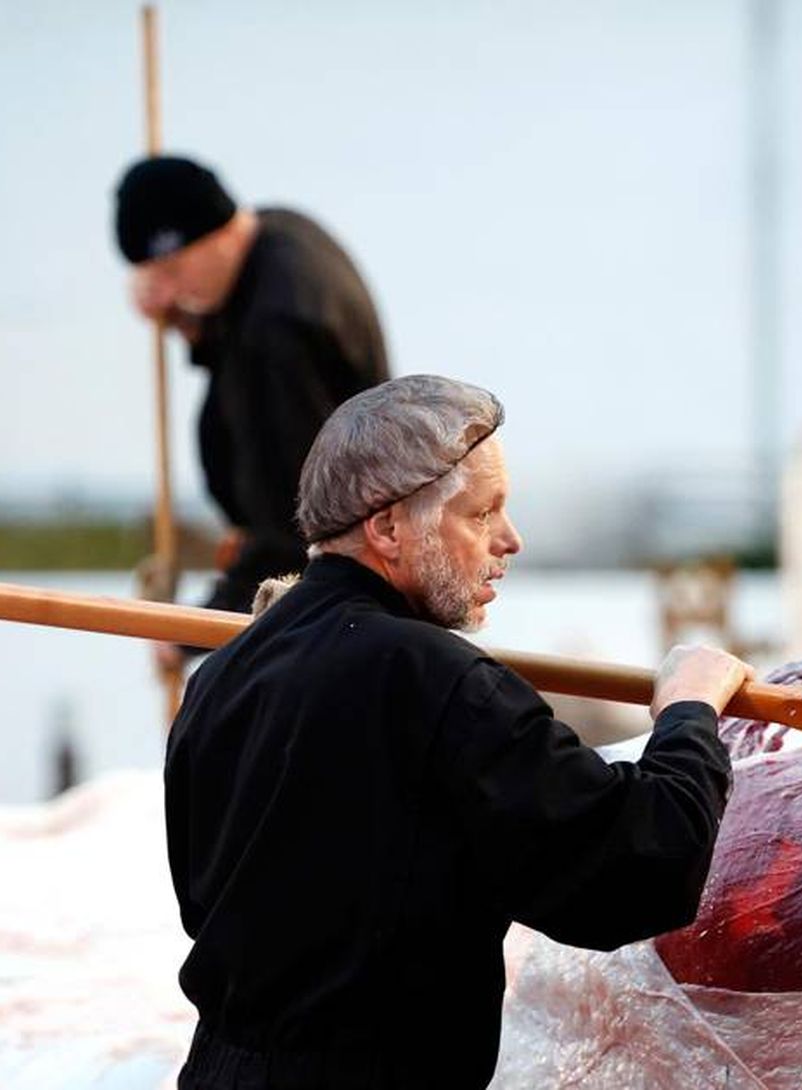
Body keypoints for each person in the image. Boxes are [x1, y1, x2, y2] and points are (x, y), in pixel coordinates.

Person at [164, 375, 752, 1088]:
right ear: (386, 528)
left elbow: (205, 903)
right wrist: (689, 712)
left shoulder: (223, 677)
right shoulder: (439, 682)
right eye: (482, 515)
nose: (511, 540)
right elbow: (638, 869)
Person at [113, 155, 390, 667]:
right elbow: (234, 352)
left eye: (172, 270)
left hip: (332, 621)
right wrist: (186, 322)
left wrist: (187, 634)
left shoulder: (277, 334)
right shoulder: (283, 236)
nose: (167, 293)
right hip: (350, 591)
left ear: (213, 233)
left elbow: (298, 534)